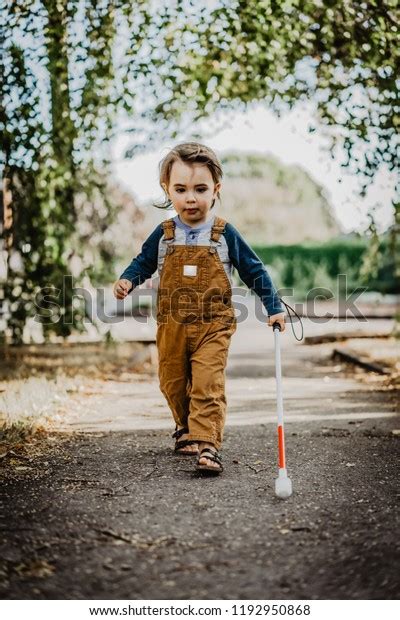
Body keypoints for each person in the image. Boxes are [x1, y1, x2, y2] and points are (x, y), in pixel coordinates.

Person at [113, 142, 286, 475]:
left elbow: (254, 270)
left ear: (215, 190)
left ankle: (208, 445)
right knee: (172, 381)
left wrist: (273, 305)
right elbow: (143, 262)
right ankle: (185, 428)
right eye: (180, 189)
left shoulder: (223, 234)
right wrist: (128, 279)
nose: (190, 197)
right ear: (167, 189)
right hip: (172, 323)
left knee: (207, 381)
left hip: (213, 325)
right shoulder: (164, 234)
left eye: (200, 189)